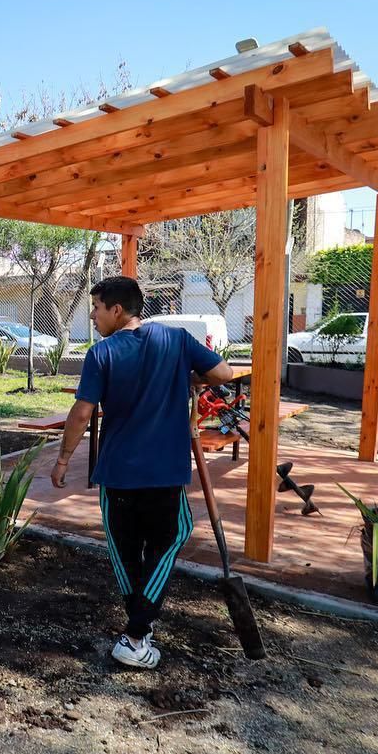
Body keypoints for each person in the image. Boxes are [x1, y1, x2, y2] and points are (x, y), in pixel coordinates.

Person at [51, 276, 232, 670]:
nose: (93, 316)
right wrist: (192, 376)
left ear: (117, 310)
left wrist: (63, 459)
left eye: (96, 308)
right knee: (171, 537)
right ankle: (136, 634)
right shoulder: (177, 340)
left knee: (126, 553)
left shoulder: (101, 354)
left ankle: (136, 631)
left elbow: (82, 412)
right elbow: (224, 373)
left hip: (117, 472)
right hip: (164, 471)